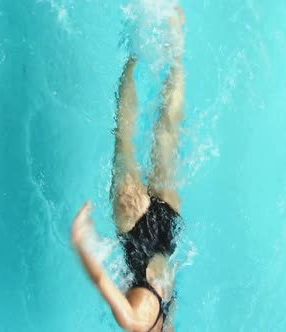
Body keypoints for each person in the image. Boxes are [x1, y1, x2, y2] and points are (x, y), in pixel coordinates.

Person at [70, 7, 185, 332]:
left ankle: (174, 48)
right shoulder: (135, 323)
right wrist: (81, 242)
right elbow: (99, 277)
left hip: (168, 229)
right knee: (124, 137)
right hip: (135, 228)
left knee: (167, 132)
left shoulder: (167, 327)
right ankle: (134, 48)